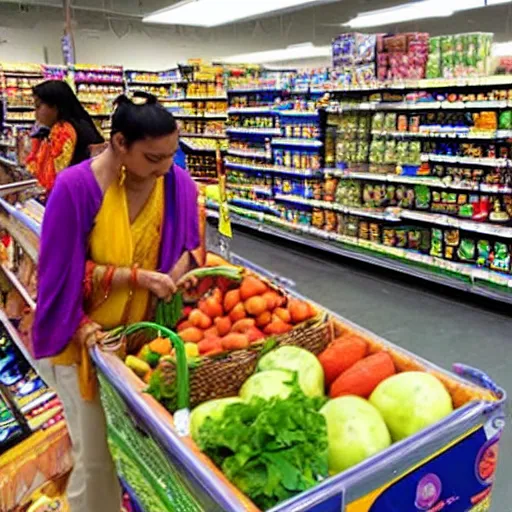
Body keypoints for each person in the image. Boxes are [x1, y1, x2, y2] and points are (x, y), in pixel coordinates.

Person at [32, 92, 203, 512]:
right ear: (120, 143)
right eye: (154, 157)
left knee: (136, 453)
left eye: (172, 155)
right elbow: (59, 276)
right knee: (94, 457)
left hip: (144, 348)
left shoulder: (176, 183)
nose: (166, 167)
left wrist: (178, 273)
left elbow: (192, 246)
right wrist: (132, 280)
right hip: (86, 346)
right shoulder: (75, 189)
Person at [26, 80, 105, 191]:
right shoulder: (80, 124)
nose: (36, 112)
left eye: (38, 106)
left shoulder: (63, 131)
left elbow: (52, 176)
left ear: (55, 107)